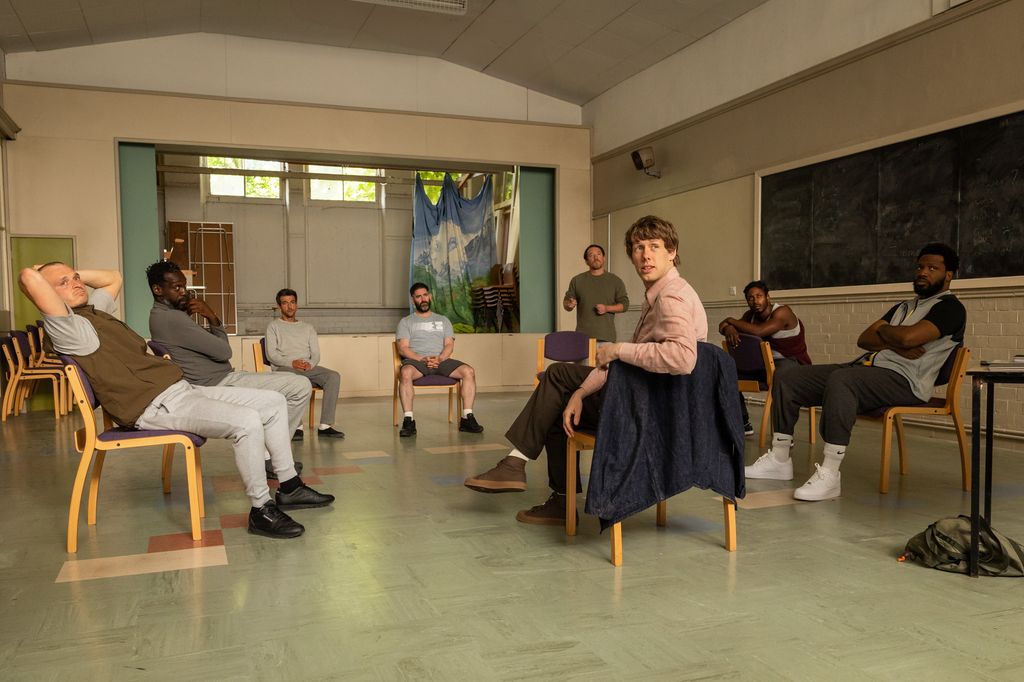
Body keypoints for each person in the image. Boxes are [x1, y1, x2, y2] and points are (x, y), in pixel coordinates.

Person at [19, 263, 334, 539]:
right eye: (62, 283)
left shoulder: (93, 311)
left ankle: (289, 487)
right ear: (46, 295)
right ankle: (261, 509)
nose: (76, 283)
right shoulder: (68, 328)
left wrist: (69, 273)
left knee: (274, 401)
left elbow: (113, 278)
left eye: (76, 278)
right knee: (248, 421)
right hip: (153, 405)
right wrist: (39, 272)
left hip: (180, 390)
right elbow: (28, 278)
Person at [464, 215, 708, 525]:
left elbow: (683, 358)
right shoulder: (662, 293)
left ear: (672, 251)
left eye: (654, 246)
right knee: (560, 401)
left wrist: (618, 349)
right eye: (638, 248)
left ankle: (520, 468)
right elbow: (631, 363)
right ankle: (550, 493)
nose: (645, 255)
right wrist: (580, 393)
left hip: (648, 413)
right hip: (646, 401)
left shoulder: (671, 295)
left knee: (556, 377)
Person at [744, 243, 966, 501]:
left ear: (949, 274)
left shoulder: (950, 308)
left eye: (932, 268)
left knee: (843, 380)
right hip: (869, 370)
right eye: (920, 267)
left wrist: (886, 333)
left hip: (906, 381)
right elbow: (865, 339)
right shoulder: (904, 307)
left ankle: (830, 473)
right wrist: (894, 340)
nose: (923, 272)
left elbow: (909, 338)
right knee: (788, 376)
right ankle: (780, 459)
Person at [147, 260, 311, 479]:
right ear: (158, 290)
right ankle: (270, 457)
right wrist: (212, 317)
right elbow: (224, 351)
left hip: (217, 378)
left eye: (184, 286)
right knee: (300, 385)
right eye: (176, 287)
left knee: (288, 389)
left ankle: (270, 455)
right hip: (217, 382)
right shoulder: (172, 318)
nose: (183, 292)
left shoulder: (161, 316)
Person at [718, 280, 811, 434]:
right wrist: (729, 328)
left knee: (781, 377)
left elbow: (759, 331)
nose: (755, 301)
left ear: (768, 297)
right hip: (765, 365)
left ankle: (784, 434)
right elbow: (721, 326)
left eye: (759, 296)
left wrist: (731, 321)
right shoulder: (750, 316)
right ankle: (743, 423)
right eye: (750, 298)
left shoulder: (783, 312)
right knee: (727, 374)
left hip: (792, 362)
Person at [395, 283, 483, 437]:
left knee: (469, 371)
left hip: (441, 361)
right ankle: (409, 421)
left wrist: (440, 358)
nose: (423, 299)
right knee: (405, 373)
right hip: (417, 362)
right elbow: (403, 348)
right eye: (418, 296)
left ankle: (467, 418)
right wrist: (422, 358)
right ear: (413, 300)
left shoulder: (443, 320)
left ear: (430, 296)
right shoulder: (406, 322)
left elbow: (449, 345)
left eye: (425, 295)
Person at [265, 289, 345, 439]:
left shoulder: (308, 328)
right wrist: (292, 363)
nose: (289, 306)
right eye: (285, 303)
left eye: (292, 302)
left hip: (306, 368)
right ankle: (296, 426)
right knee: (294, 378)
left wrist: (310, 364)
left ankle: (325, 426)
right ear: (279, 306)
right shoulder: (273, 327)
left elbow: (316, 354)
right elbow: (271, 355)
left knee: (333, 376)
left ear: (297, 305)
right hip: (284, 368)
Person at [563, 244, 629, 342]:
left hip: (606, 338)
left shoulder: (615, 281)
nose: (596, 257)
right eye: (591, 255)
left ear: (604, 258)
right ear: (586, 261)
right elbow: (566, 305)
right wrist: (569, 304)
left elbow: (625, 305)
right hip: (582, 339)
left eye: (598, 254)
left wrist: (607, 308)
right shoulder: (577, 280)